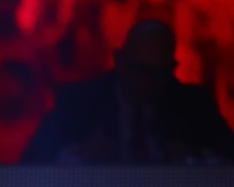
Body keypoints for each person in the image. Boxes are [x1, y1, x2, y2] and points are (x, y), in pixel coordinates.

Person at [22, 19, 234, 163]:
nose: (147, 82)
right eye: (139, 70)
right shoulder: (79, 103)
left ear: (172, 69)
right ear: (120, 61)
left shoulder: (194, 107)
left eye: (158, 73)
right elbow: (32, 165)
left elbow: (227, 159)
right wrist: (75, 158)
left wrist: (194, 161)